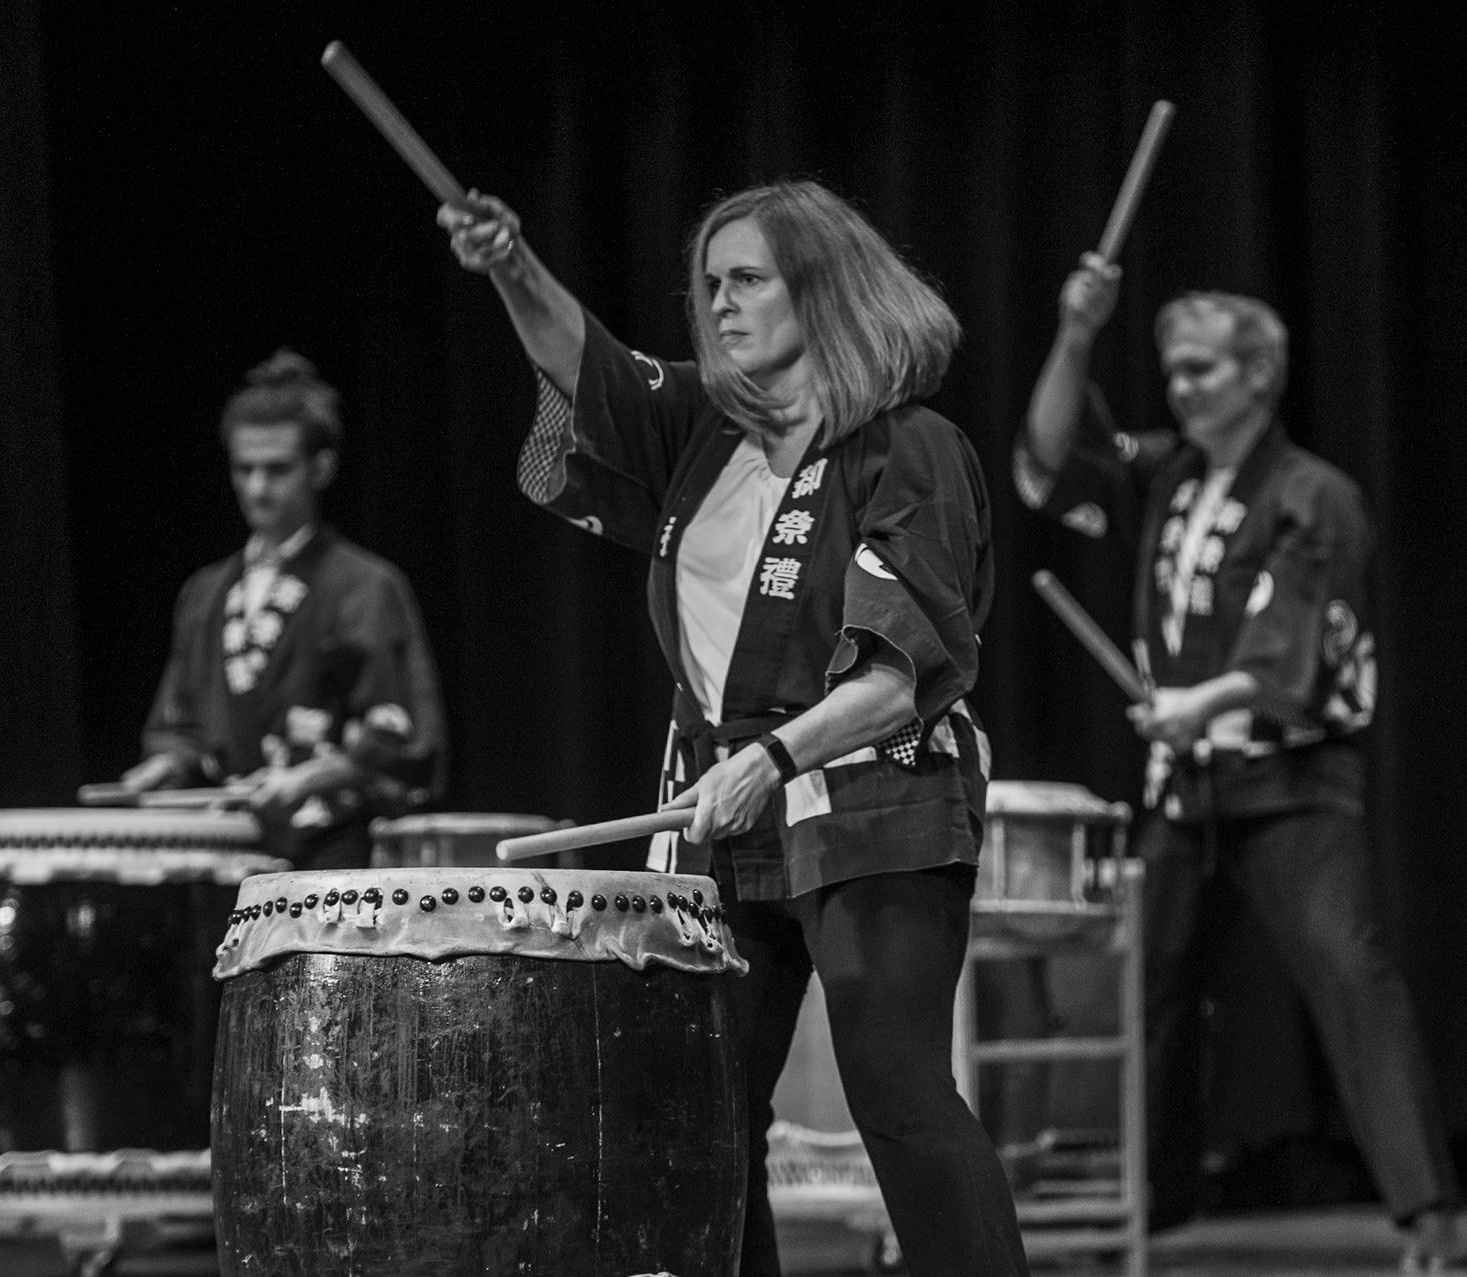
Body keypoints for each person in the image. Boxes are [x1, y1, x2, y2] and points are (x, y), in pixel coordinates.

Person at [440, 182, 1028, 1277]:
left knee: (896, 1089)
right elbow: (592, 372)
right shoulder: (701, 434)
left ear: (824, 286)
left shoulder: (910, 445)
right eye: (709, 285)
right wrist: (510, 265)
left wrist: (773, 755)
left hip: (871, 795)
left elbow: (906, 669)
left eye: (748, 278)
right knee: (699, 1112)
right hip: (720, 807)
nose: (720, 304)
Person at [1017, 256, 1461, 1267]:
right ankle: (1149, 1206)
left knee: (1351, 971)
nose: (1182, 388)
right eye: (1173, 370)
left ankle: (1429, 1216)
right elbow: (1047, 464)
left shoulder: (1317, 495)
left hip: (1292, 783)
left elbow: (1291, 649)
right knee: (1149, 993)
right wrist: (1077, 334)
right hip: (1187, 789)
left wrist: (1196, 702)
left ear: (1261, 373)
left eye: (1205, 369)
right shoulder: (1166, 475)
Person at [122, 350, 446, 868]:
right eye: (243, 468)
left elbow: (401, 736)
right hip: (227, 843)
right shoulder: (204, 593)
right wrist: (166, 766)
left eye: (277, 470)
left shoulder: (365, 585)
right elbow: (181, 725)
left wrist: (311, 778)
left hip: (334, 854)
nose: (256, 487)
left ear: (321, 467)